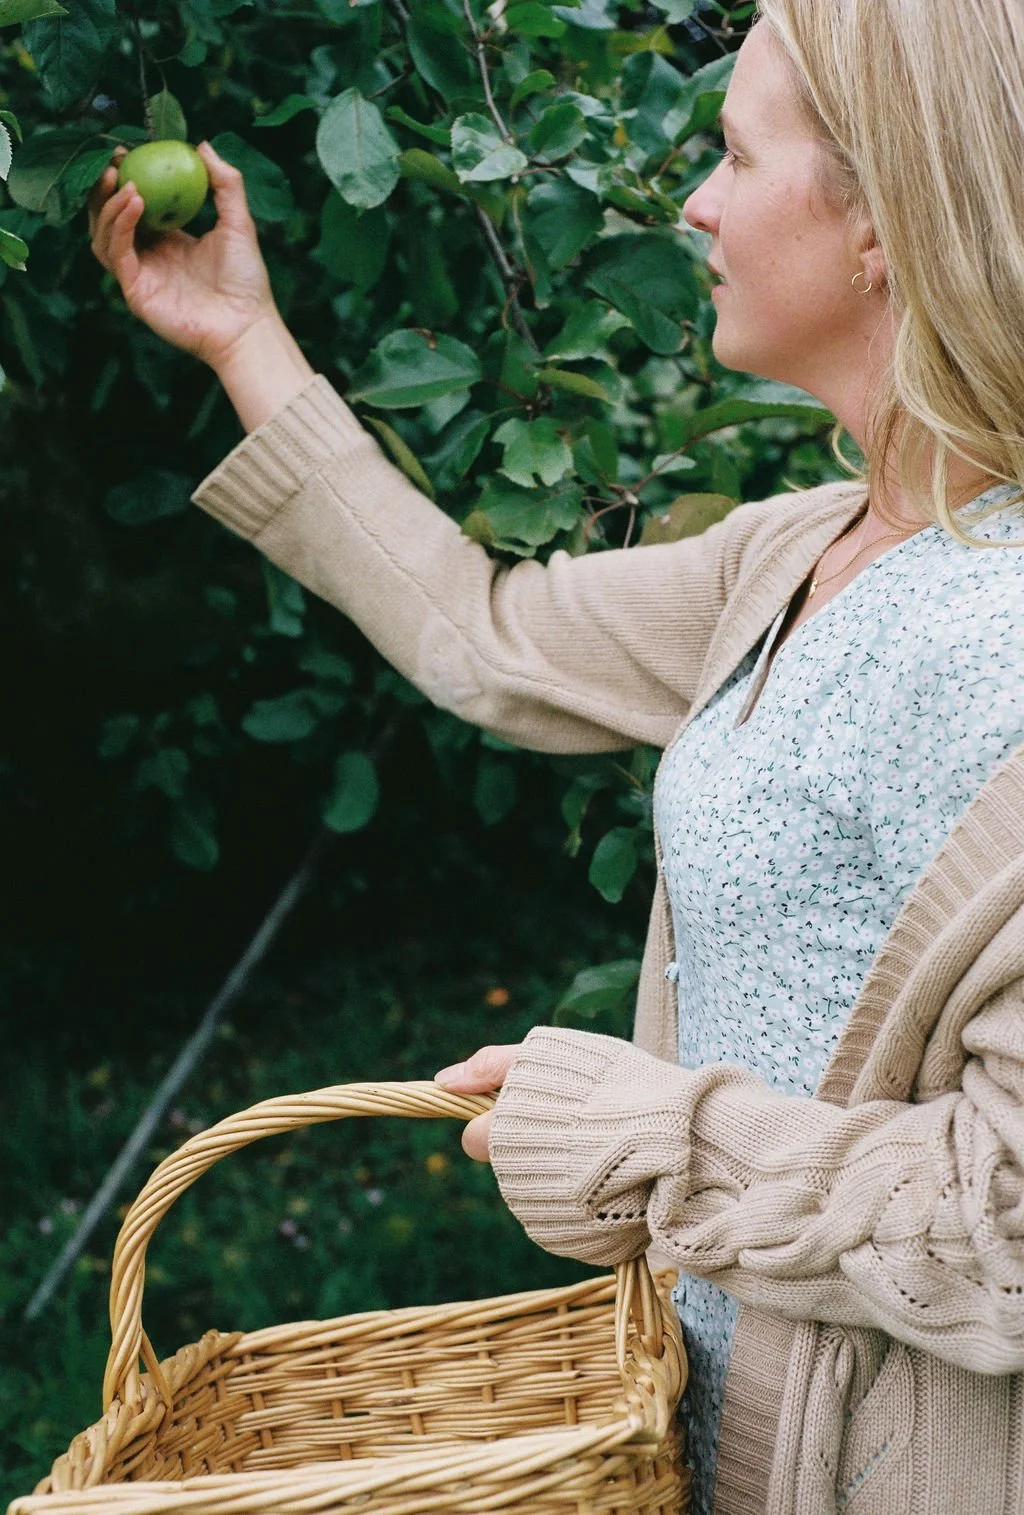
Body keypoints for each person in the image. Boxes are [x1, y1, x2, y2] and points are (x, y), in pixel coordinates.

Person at [88, 2, 1024, 1510]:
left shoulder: (999, 639)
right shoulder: (796, 553)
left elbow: (1010, 1216)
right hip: (695, 1413)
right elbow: (488, 633)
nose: (695, 202)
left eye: (732, 155)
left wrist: (655, 1139)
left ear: (884, 227)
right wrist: (242, 334)